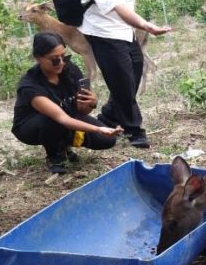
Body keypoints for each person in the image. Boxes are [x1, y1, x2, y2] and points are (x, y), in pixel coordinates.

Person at [77, 0, 171, 149]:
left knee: (135, 69)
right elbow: (115, 5)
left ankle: (110, 114)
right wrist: (145, 25)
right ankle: (134, 129)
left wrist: (134, 24)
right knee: (122, 79)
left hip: (124, 28)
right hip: (104, 30)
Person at [12, 32, 124, 174]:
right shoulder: (30, 86)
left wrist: (91, 104)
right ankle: (55, 156)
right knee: (50, 120)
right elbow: (62, 118)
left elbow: (80, 111)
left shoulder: (69, 69)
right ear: (38, 58)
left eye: (63, 56)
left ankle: (63, 143)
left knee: (107, 141)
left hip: (66, 118)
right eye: (54, 59)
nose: (61, 62)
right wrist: (99, 129)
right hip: (32, 127)